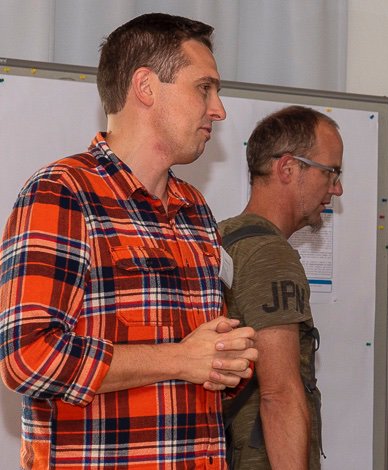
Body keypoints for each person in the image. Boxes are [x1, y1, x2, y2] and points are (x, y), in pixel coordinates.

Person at [0, 13, 258, 469]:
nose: (218, 110)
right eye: (204, 88)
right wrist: (179, 359)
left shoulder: (194, 209)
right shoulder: (63, 192)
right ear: (145, 86)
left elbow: (202, 359)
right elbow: (28, 359)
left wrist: (227, 364)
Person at [219, 105, 343, 470]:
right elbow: (280, 395)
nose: (337, 188)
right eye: (330, 172)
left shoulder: (223, 237)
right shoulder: (270, 255)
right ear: (288, 168)